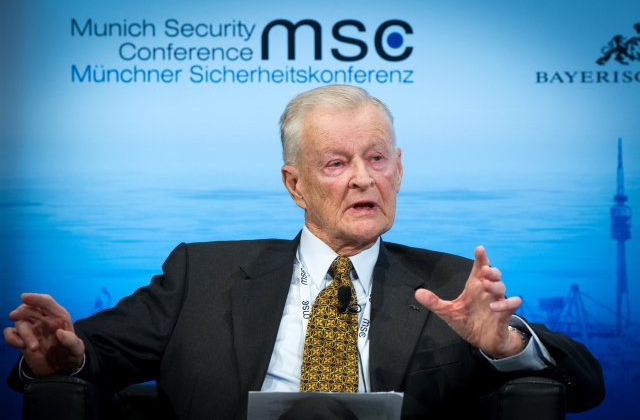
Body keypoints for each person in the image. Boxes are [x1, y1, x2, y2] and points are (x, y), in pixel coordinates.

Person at [5, 85, 604, 419]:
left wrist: (506, 346)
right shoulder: (201, 273)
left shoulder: (448, 281)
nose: (364, 178)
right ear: (295, 185)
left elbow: (586, 386)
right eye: (336, 163)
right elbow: (89, 357)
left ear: (399, 170)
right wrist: (59, 359)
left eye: (377, 158)